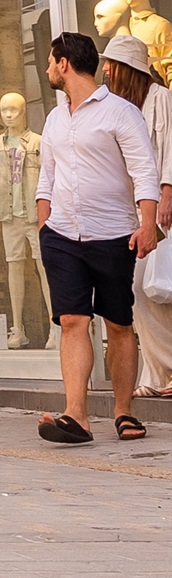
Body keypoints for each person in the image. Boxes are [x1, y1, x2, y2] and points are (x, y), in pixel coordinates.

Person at [36, 31, 161, 444]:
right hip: (62, 235)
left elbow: (144, 170)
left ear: (65, 63)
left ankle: (124, 412)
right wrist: (43, 223)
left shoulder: (121, 112)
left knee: (119, 322)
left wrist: (146, 224)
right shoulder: (55, 118)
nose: (49, 68)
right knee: (73, 320)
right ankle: (77, 416)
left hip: (111, 234)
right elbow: (46, 177)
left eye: (52, 61)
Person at [97, 34, 172, 397]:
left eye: (111, 64)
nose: (106, 71)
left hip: (163, 210)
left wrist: (168, 193)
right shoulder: (120, 108)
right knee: (138, 292)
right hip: (134, 213)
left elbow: (171, 148)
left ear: (127, 68)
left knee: (158, 288)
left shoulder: (162, 99)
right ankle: (157, 374)